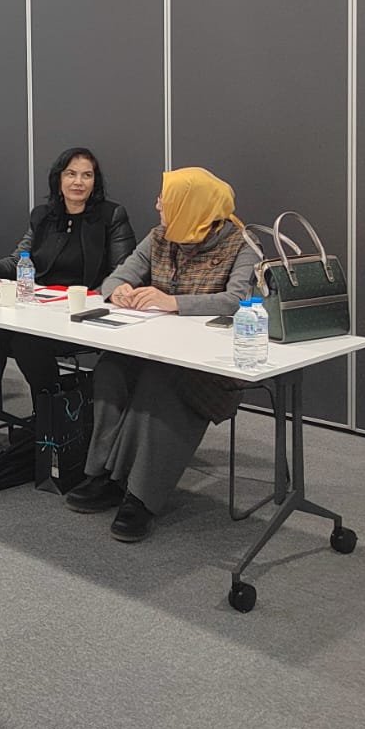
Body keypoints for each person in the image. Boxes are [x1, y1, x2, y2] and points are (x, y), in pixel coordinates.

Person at [62, 167, 257, 544]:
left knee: (158, 381)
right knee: (111, 369)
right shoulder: (160, 237)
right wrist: (118, 292)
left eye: (166, 201)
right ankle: (103, 476)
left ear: (191, 207)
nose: (157, 206)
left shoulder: (242, 245)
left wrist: (173, 302)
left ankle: (140, 496)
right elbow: (115, 279)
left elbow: (237, 301)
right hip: (156, 350)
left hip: (210, 365)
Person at [0, 145, 138, 398]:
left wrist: (94, 300)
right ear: (58, 179)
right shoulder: (43, 216)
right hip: (40, 307)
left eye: (87, 175)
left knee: (27, 340)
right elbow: (20, 259)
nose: (78, 182)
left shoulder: (111, 216)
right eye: (71, 174)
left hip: (83, 310)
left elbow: (123, 272)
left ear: (95, 182)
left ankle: (49, 414)